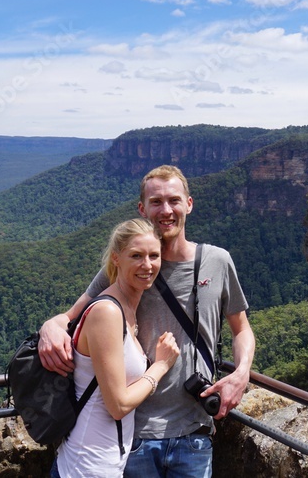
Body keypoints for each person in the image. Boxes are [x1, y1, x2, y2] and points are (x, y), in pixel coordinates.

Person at [40, 165, 256, 478]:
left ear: (189, 204)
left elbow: (242, 328)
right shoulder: (128, 265)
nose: (166, 210)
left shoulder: (217, 262)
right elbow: (72, 316)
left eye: (174, 200)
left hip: (194, 432)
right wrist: (50, 327)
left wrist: (242, 372)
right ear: (143, 209)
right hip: (135, 436)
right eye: (156, 202)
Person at [51, 218, 180, 478]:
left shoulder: (127, 309)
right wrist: (160, 366)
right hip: (86, 467)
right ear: (116, 259)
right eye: (136, 255)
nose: (147, 265)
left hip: (102, 464)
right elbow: (117, 405)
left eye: (154, 256)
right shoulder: (107, 312)